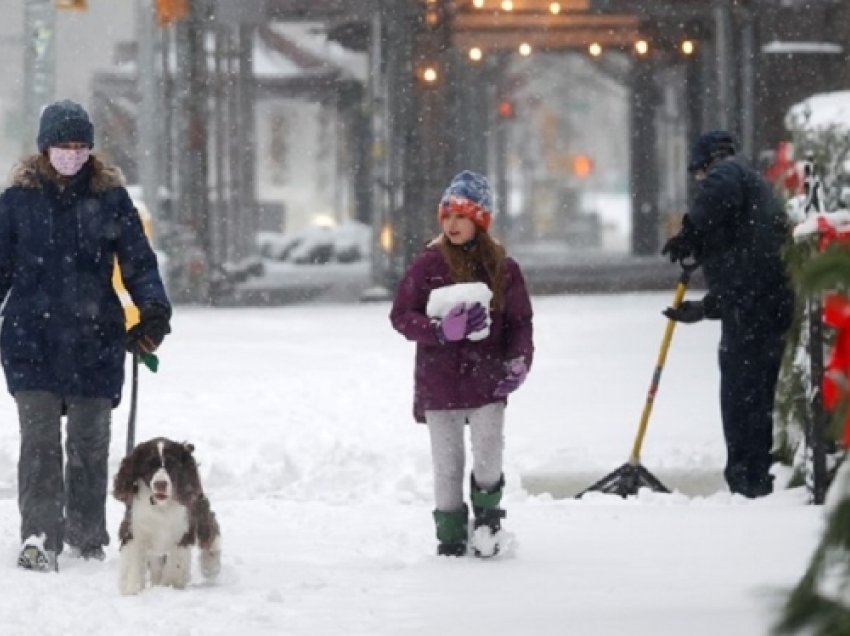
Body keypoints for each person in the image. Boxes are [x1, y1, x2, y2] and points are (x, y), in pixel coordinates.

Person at [0, 99, 172, 571]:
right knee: (39, 443)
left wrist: (153, 310)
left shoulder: (110, 199)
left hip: (94, 339)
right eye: (64, 145)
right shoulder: (16, 202)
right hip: (30, 339)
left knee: (89, 443)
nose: (73, 154)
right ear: (44, 148)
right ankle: (39, 534)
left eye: (81, 146)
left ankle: (86, 534)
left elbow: (138, 263)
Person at [390, 170, 534, 557]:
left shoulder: (504, 268)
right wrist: (437, 330)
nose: (452, 224)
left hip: (488, 380)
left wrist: (519, 361)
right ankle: (450, 537)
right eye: (447, 215)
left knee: (489, 457)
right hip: (440, 384)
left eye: (462, 216)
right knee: (447, 467)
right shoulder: (428, 266)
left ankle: (488, 524)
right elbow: (401, 316)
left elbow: (520, 321)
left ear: (480, 220)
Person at [661, 130, 793, 498]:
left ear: (705, 165)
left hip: (756, 310)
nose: (700, 182)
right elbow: (742, 273)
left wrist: (690, 231)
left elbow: (719, 191)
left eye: (698, 175)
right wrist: (704, 309)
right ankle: (754, 477)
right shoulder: (752, 196)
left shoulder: (728, 173)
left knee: (742, 394)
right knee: (757, 397)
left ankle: (747, 481)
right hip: (763, 305)